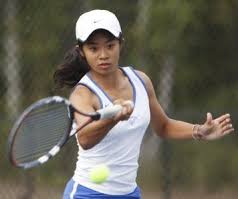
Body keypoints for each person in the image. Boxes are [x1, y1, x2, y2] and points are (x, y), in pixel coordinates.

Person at [54, 9, 234, 199]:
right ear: (81, 51)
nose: (103, 55)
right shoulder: (83, 94)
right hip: (87, 193)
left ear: (120, 44)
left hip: (129, 194)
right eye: (93, 48)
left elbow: (163, 126)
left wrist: (198, 131)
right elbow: (85, 139)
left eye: (110, 45)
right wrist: (113, 119)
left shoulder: (141, 81)